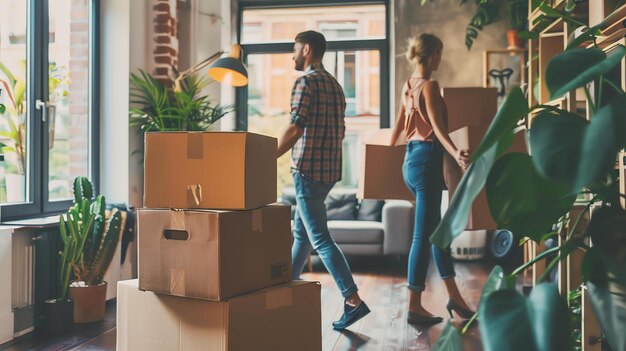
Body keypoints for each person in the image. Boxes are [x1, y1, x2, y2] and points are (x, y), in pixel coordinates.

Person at [277, 30, 369, 330]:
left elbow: (295, 128)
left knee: (319, 238)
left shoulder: (306, 82)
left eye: (294, 49)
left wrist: (267, 157)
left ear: (306, 49)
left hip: (307, 170)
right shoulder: (336, 86)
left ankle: (352, 300)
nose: (292, 55)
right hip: (328, 172)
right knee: (303, 234)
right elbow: (339, 132)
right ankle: (283, 289)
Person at [389, 33, 474, 324]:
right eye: (440, 52)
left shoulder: (407, 85)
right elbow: (438, 129)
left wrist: (384, 151)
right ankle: (414, 304)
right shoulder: (430, 85)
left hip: (410, 163)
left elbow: (397, 130)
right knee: (423, 237)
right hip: (427, 161)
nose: (441, 58)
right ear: (432, 54)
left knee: (438, 235)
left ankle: (455, 298)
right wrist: (458, 153)